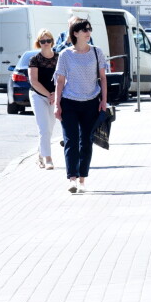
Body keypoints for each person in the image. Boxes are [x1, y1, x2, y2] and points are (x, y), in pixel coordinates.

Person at [54, 18, 108, 194]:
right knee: (70, 141)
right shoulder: (65, 55)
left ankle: (82, 178)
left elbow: (103, 78)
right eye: (84, 29)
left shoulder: (97, 52)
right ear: (75, 33)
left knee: (86, 141)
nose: (88, 32)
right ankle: (72, 179)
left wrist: (103, 101)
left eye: (89, 29)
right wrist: (57, 104)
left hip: (91, 101)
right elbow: (60, 81)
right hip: (69, 101)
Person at [29, 29, 59, 170]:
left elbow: (64, 78)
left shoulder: (59, 58)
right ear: (38, 43)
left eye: (48, 40)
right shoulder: (34, 59)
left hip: (55, 95)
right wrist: (49, 94)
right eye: (43, 41)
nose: (46, 43)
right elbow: (34, 81)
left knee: (50, 128)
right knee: (44, 128)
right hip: (38, 95)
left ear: (52, 42)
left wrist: (56, 94)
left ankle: (40, 154)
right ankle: (48, 159)